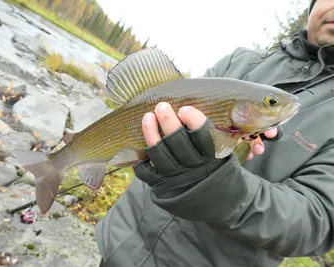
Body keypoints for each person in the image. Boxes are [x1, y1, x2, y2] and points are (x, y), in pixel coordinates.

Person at [95, 0, 334, 266]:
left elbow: (316, 221)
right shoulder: (242, 59)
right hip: (121, 241)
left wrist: (221, 188)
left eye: (271, 104)